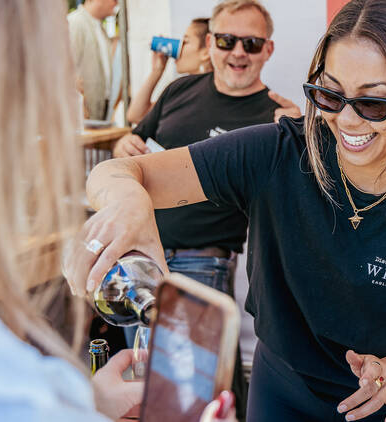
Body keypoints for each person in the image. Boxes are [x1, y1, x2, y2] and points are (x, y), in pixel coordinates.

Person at [65, 0, 386, 420]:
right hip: (280, 394)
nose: (347, 121)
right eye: (329, 94)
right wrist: (129, 204)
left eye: (373, 103)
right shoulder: (276, 153)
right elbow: (118, 171)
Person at [0, 1, 237, 421]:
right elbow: (125, 146)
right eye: (63, 67)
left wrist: (91, 402)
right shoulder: (22, 395)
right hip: (143, 255)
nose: (76, 89)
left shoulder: (272, 117)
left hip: (192, 259)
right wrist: (128, 186)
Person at [113, 0, 301, 417]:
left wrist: (296, 147)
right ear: (211, 43)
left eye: (251, 43)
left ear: (268, 50)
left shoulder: (277, 118)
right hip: (139, 260)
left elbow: (294, 204)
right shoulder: (180, 90)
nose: (238, 52)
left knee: (185, 401)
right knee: (137, 391)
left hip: (200, 268)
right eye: (227, 40)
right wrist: (124, 146)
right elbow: (134, 143)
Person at [126, 18, 213, 125]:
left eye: (185, 42)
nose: (178, 48)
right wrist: (157, 71)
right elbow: (136, 116)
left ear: (206, 52)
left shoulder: (215, 92)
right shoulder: (180, 89)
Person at [68, 0, 118, 121]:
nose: (116, 4)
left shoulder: (101, 28)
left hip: (99, 113)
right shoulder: (75, 23)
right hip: (80, 116)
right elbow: (65, 70)